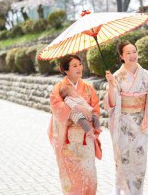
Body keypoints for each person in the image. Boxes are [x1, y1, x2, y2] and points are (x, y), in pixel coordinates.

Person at [104, 41, 148, 195]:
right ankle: (123, 190)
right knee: (123, 160)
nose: (132, 55)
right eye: (128, 53)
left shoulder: (146, 75)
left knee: (139, 161)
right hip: (123, 123)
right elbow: (111, 104)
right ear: (121, 56)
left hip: (141, 125)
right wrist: (111, 85)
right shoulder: (116, 76)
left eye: (134, 51)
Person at [48, 54, 102, 195]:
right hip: (68, 141)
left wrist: (90, 116)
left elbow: (95, 109)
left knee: (90, 177)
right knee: (72, 180)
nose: (79, 68)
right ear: (65, 70)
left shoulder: (88, 88)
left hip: (86, 137)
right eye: (74, 66)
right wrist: (77, 109)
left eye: (80, 64)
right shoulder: (58, 89)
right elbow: (56, 109)